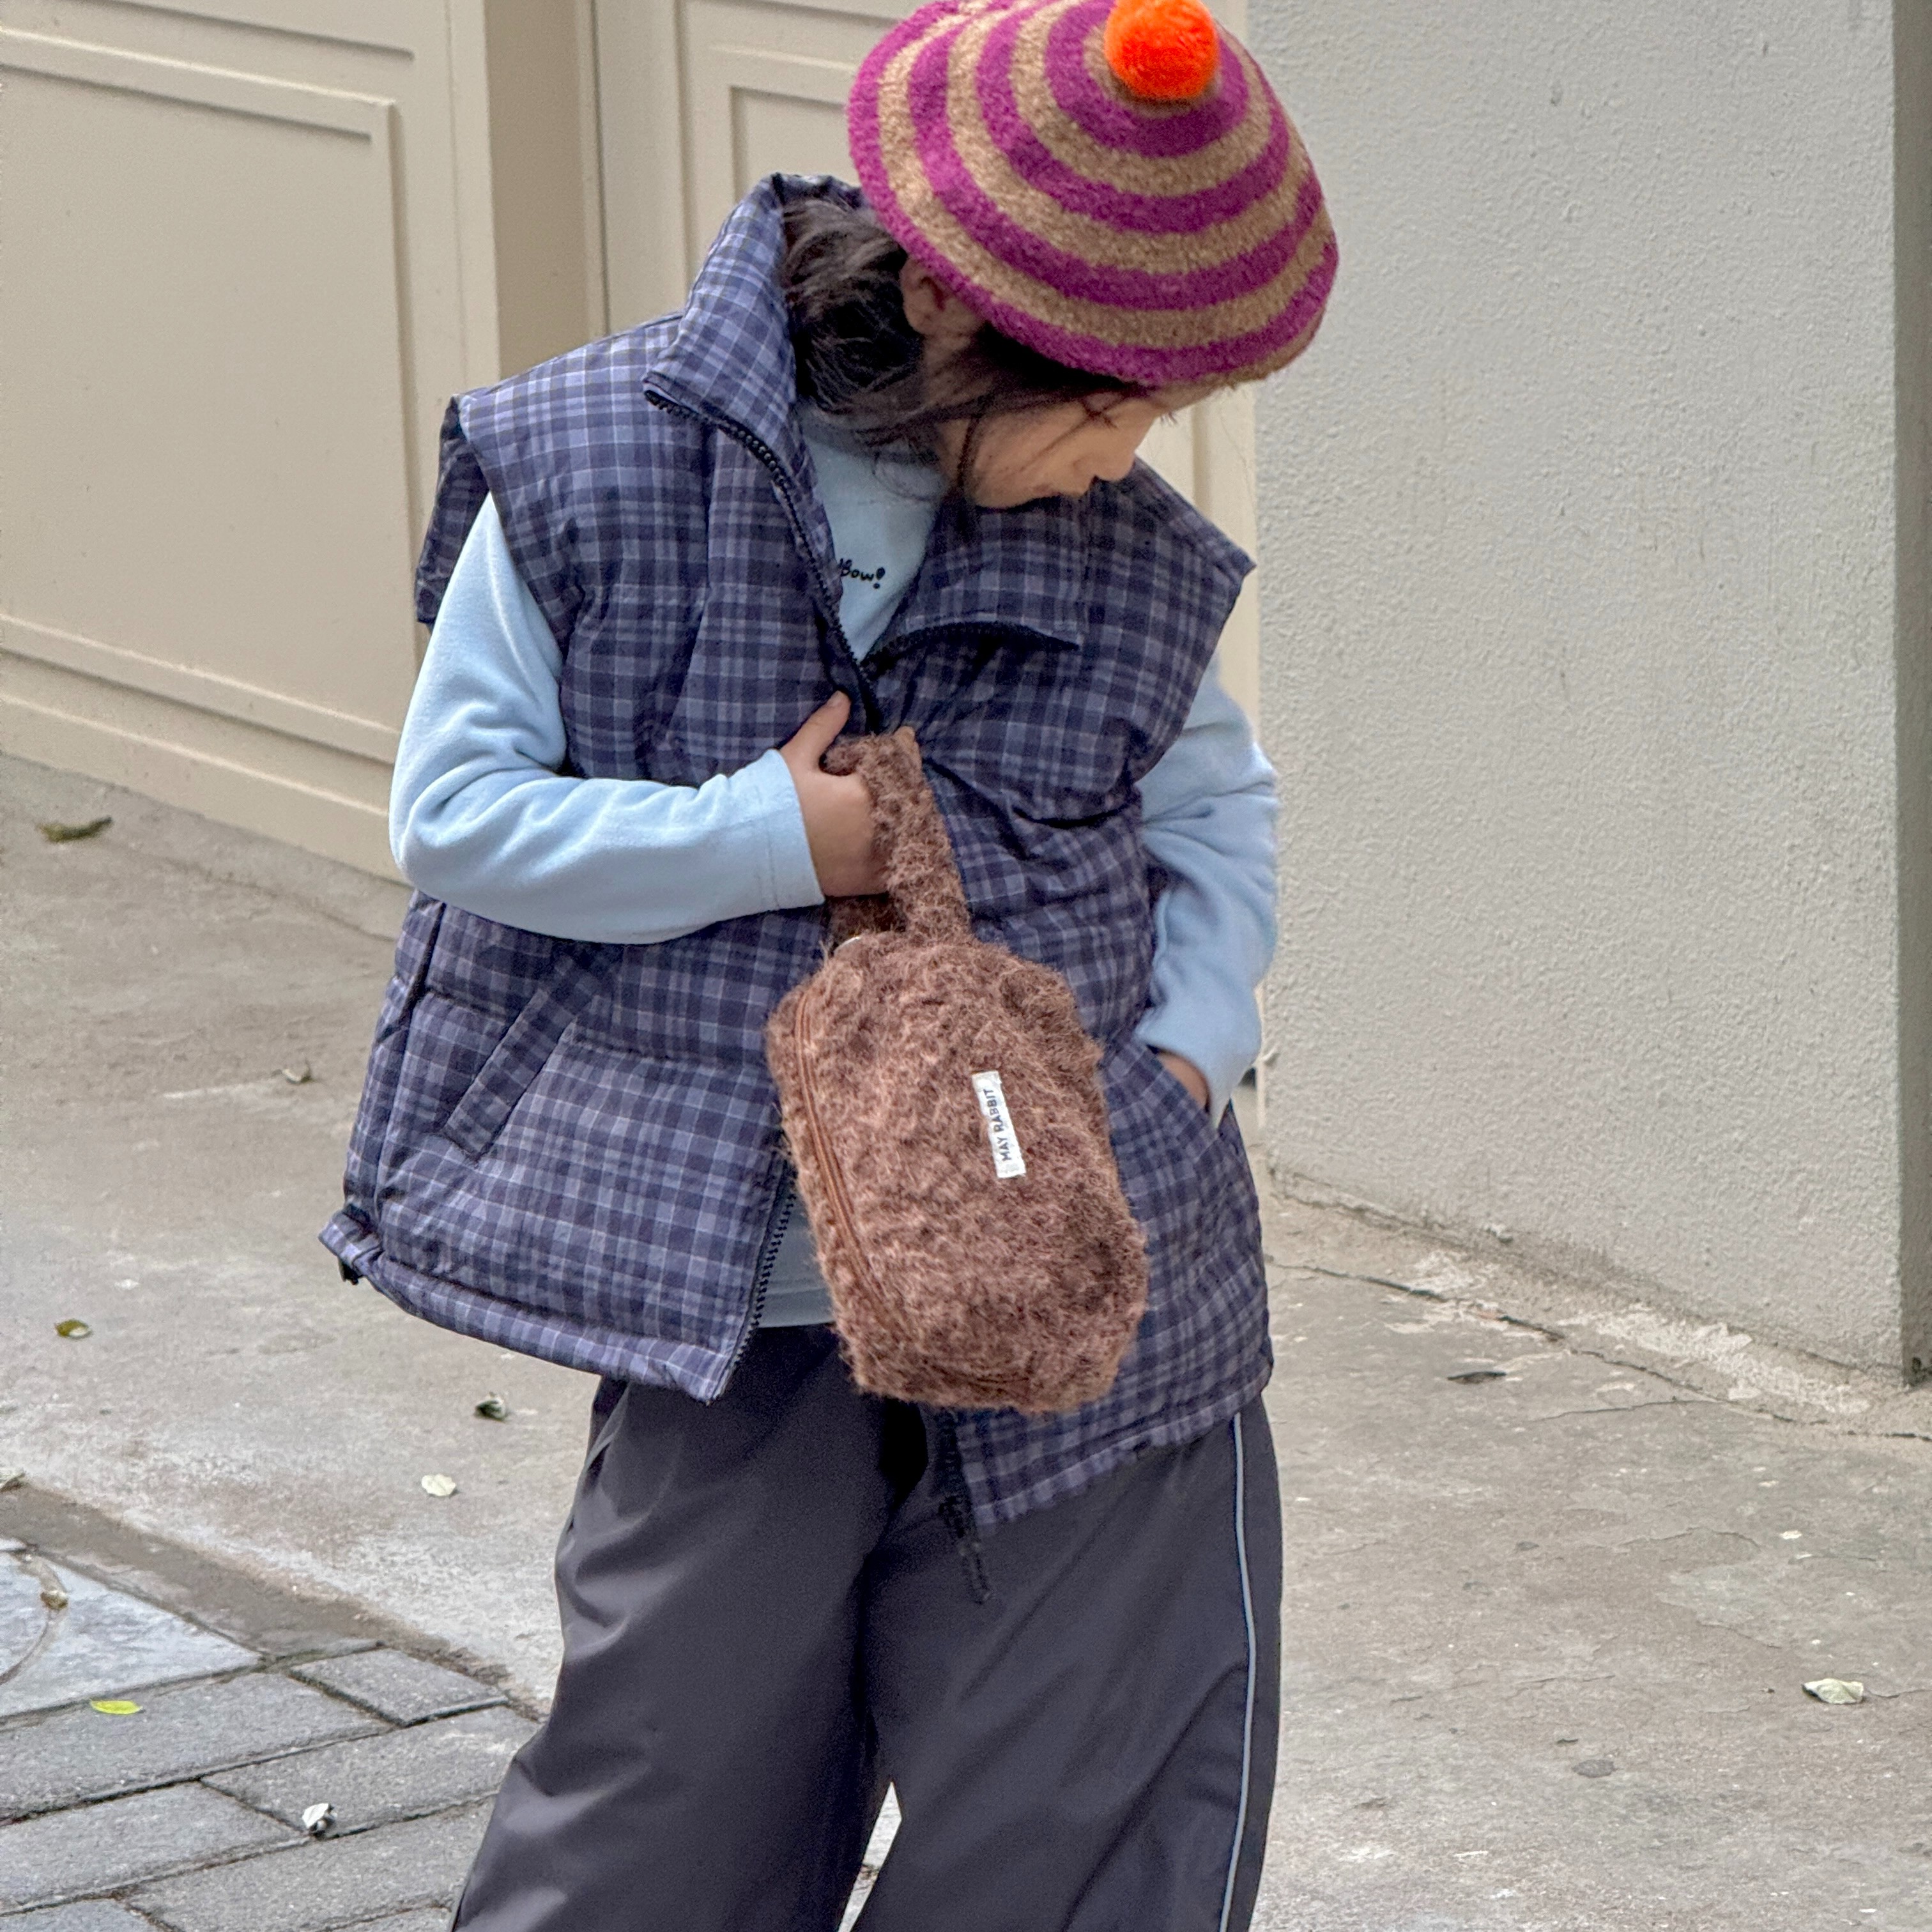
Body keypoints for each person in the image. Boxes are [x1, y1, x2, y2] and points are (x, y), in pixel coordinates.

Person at [324, 0, 1335, 1922]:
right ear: (957, 317)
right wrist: (764, 837)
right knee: (664, 1797)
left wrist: (1191, 1060)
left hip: (1087, 1281)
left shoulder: (1124, 549)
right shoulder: (591, 468)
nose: (1138, 452)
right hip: (740, 1305)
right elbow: (453, 819)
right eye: (1119, 398)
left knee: (1088, 1802)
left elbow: (1220, 815)